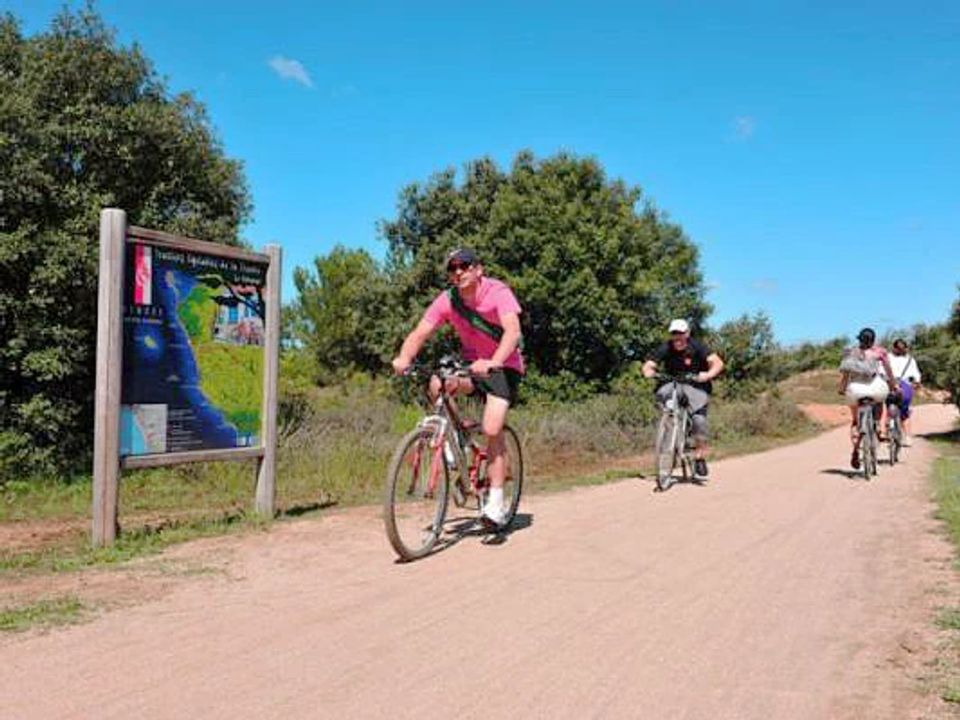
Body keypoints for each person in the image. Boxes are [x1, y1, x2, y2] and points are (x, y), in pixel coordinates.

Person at [391, 248, 524, 527]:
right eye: (453, 268)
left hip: (503, 366)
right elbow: (420, 332)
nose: (459, 272)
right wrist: (404, 357)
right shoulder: (447, 300)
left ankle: (496, 502)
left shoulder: (498, 292)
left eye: (465, 266)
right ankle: (456, 439)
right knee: (438, 382)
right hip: (471, 367)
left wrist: (494, 361)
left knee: (492, 429)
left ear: (478, 269)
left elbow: (513, 331)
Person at [641, 319, 725, 478]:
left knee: (699, 421)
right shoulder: (666, 347)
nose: (677, 337)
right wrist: (648, 371)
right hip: (673, 384)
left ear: (687, 333)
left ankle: (699, 457)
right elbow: (649, 364)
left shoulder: (697, 346)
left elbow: (718, 363)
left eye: (680, 333)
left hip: (696, 386)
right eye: (674, 334)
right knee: (662, 393)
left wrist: (708, 374)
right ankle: (670, 421)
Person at [838, 327, 898, 469]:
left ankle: (855, 451)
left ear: (859, 339)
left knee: (855, 421)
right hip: (875, 388)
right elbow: (888, 372)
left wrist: (841, 388)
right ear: (873, 340)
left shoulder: (850, 352)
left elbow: (846, 374)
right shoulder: (880, 352)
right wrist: (893, 385)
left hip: (856, 390)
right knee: (881, 403)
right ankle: (881, 428)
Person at [887, 338, 922, 441]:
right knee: (904, 412)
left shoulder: (888, 358)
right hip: (905, 386)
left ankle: (884, 429)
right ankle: (907, 437)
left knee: (886, 405)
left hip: (890, 384)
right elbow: (916, 374)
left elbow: (881, 371)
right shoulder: (910, 360)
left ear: (894, 348)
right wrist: (917, 382)